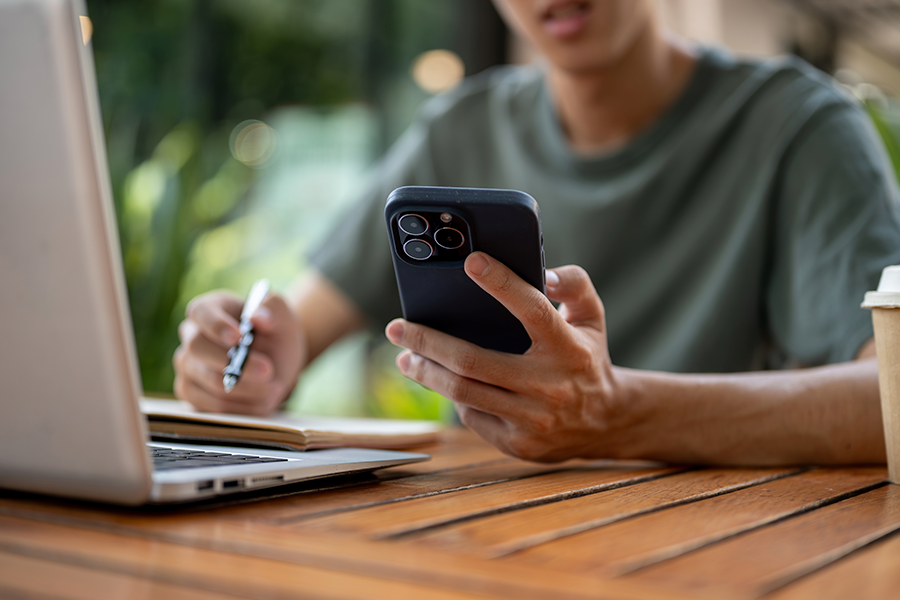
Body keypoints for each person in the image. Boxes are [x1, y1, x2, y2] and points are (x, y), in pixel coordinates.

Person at [173, 0, 900, 465]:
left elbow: (890, 400)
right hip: (491, 540)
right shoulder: (463, 126)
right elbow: (297, 327)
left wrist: (619, 413)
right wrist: (254, 355)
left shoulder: (799, 128)